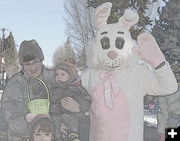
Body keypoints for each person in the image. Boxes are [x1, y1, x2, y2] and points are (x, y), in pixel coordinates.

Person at [1, 39, 54, 141]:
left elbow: (65, 112)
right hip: (21, 137)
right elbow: (9, 117)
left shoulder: (54, 79)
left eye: (35, 62)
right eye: (28, 64)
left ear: (41, 60)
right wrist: (26, 119)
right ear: (22, 65)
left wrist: (54, 123)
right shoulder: (14, 84)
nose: (32, 68)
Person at [50, 61, 91, 141]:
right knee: (55, 121)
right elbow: (51, 101)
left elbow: (87, 99)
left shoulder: (76, 87)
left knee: (72, 120)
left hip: (71, 114)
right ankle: (57, 137)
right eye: (57, 75)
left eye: (62, 74)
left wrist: (80, 106)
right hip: (57, 114)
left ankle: (73, 135)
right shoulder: (54, 89)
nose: (59, 77)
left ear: (70, 76)